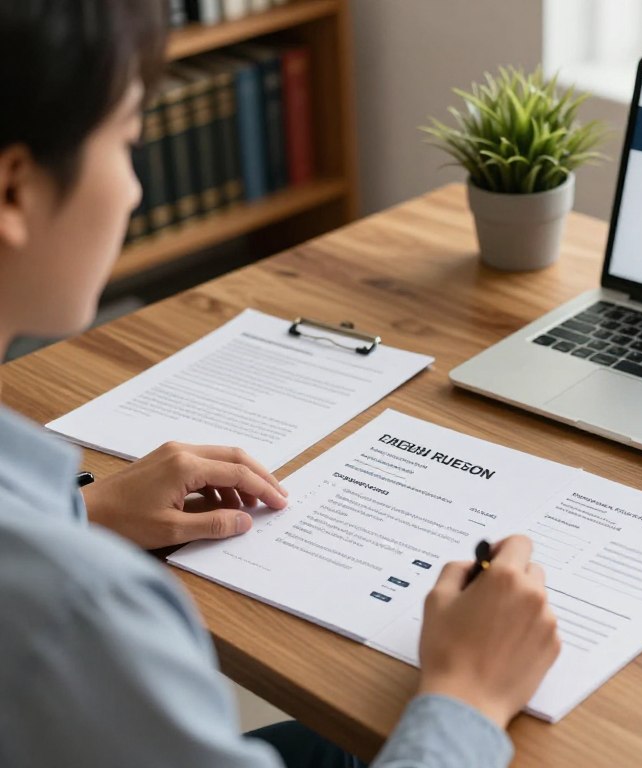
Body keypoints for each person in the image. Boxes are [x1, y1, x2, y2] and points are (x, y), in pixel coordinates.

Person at [0, 2, 561, 767]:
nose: (134, 191)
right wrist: (468, 692)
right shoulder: (80, 611)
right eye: (128, 141)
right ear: (14, 190)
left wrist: (83, 510)